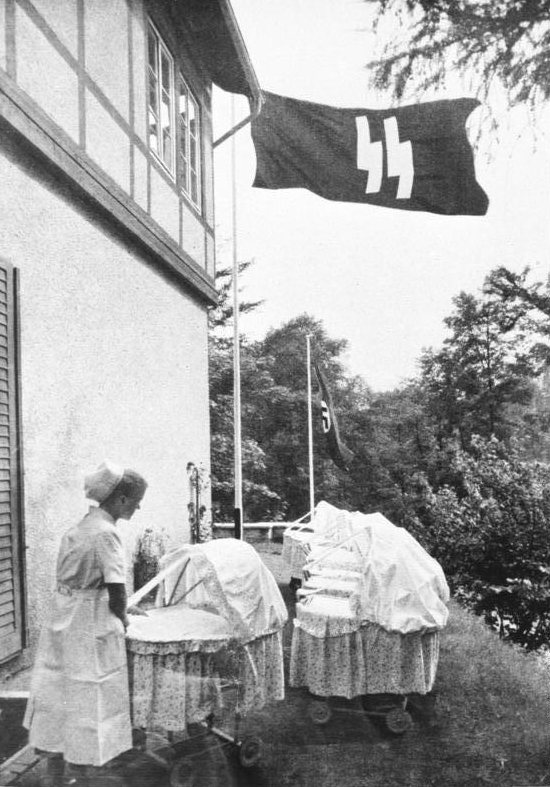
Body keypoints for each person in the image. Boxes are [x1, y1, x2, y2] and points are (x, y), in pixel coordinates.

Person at [23, 461, 148, 787]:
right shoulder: (107, 534)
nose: (138, 506)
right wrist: (123, 617)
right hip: (87, 620)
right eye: (135, 500)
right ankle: (85, 770)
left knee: (58, 692)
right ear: (121, 500)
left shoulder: (79, 527)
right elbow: (117, 590)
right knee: (89, 694)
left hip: (62, 616)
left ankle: (55, 774)